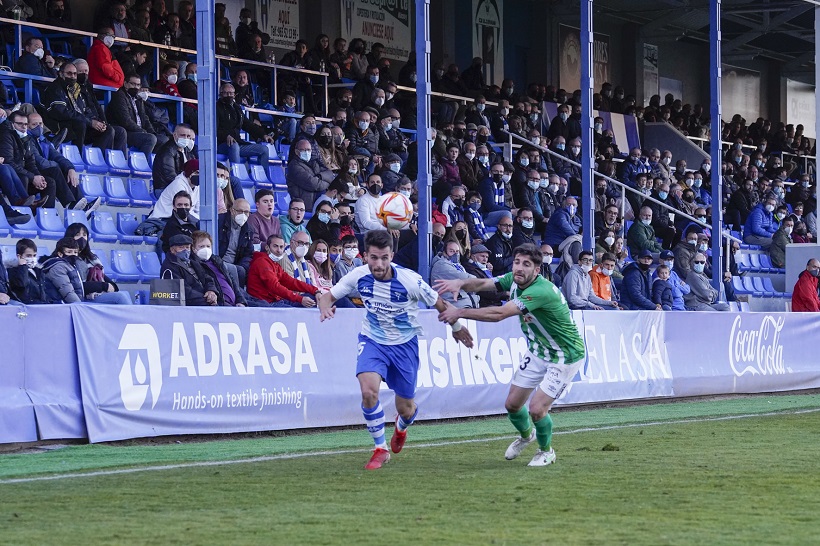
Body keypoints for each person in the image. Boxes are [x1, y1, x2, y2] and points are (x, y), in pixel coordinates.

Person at [319, 230, 473, 470]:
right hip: (373, 341)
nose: (378, 264)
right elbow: (327, 297)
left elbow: (439, 303)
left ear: (391, 255)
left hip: (404, 346)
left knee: (406, 407)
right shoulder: (358, 276)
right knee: (369, 392)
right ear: (365, 256)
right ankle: (380, 448)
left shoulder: (410, 280)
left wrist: (456, 326)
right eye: (373, 258)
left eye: (384, 258)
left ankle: (402, 425)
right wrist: (324, 307)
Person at [435, 243, 585, 467]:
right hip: (538, 350)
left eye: (526, 264)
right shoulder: (514, 280)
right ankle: (526, 436)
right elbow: (486, 283)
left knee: (537, 409)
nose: (519, 268)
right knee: (512, 405)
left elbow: (499, 314)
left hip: (565, 355)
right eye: (517, 262)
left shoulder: (540, 291)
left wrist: (460, 312)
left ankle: (547, 451)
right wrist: (460, 282)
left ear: (537, 270)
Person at [65, 223, 133, 304]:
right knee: (120, 297)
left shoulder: (91, 259)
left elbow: (112, 284)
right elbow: (76, 286)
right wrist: (104, 286)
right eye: (77, 235)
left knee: (125, 294)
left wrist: (109, 286)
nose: (82, 238)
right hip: (80, 297)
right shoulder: (67, 258)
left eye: (84, 235)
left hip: (96, 293)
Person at [246, 234, 320, 307]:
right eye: (275, 246)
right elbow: (275, 286)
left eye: (281, 247)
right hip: (265, 303)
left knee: (313, 298)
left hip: (276, 300)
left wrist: (315, 291)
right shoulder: (262, 262)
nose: (279, 250)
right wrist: (300, 299)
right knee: (293, 312)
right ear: (267, 247)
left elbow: (291, 282)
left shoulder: (275, 264)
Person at [216, 83, 270, 166]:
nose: (229, 95)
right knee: (234, 146)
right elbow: (214, 129)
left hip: (239, 143)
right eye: (226, 93)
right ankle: (235, 175)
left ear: (234, 95)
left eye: (231, 93)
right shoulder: (216, 107)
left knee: (264, 149)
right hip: (222, 144)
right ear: (221, 94)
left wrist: (263, 135)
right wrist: (226, 136)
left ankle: (265, 177)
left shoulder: (237, 108)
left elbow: (248, 125)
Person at [105, 73, 157, 158]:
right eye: (132, 84)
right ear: (125, 83)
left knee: (162, 140)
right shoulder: (119, 96)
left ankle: (156, 168)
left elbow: (145, 118)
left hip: (138, 131)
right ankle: (141, 165)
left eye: (138, 85)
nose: (135, 87)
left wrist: (152, 131)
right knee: (150, 139)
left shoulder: (138, 98)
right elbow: (125, 121)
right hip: (127, 132)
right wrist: (142, 131)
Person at [159, 234, 219, 306]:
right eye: (181, 247)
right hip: (190, 306)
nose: (185, 250)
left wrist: (211, 291)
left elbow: (207, 278)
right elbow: (183, 291)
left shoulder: (194, 262)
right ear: (172, 250)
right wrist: (206, 299)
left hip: (204, 301)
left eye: (187, 247)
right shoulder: (169, 266)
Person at [192, 231, 247, 307]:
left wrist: (241, 301)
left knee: (264, 305)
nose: (206, 249)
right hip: (221, 304)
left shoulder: (217, 260)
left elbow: (232, 282)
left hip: (237, 304)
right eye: (201, 246)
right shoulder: (194, 265)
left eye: (208, 246)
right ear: (193, 248)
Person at [287, 138, 334, 210]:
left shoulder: (314, 163)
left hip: (315, 203)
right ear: (296, 152)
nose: (306, 152)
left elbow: (330, 174)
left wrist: (320, 176)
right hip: (304, 206)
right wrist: (328, 183)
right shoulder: (294, 166)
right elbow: (313, 184)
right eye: (303, 150)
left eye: (308, 150)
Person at [152, 124, 197, 193]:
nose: (186, 138)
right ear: (174, 135)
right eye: (182, 135)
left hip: (183, 188)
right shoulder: (167, 151)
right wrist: (186, 186)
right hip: (165, 189)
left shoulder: (187, 151)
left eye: (188, 136)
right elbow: (170, 176)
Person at [42, 237, 85, 303]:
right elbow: (68, 292)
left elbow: (76, 286)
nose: (73, 255)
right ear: (60, 254)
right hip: (60, 306)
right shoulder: (58, 267)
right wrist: (79, 306)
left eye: (75, 252)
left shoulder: (70, 265)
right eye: (69, 252)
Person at [6, 239, 48, 304]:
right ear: (19, 256)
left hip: (40, 305)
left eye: (34, 255)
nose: (32, 258)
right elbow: (22, 284)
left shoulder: (38, 270)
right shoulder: (12, 271)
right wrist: (22, 267)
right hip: (25, 306)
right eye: (28, 256)